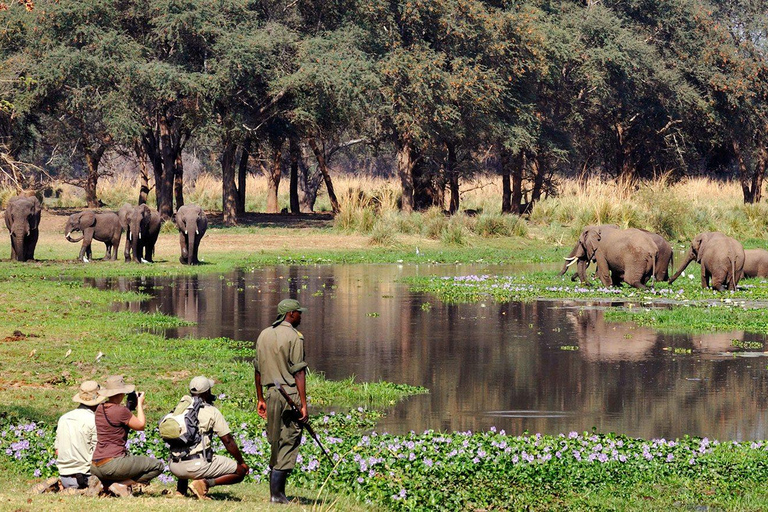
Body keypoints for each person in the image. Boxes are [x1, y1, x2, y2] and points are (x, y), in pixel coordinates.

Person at [254, 298, 309, 504]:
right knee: (290, 438)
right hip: (290, 394)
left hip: (271, 393)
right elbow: (299, 373)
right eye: (298, 313)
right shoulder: (295, 337)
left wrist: (260, 398)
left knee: (275, 440)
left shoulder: (264, 334)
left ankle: (276, 493)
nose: (300, 316)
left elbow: (257, 370)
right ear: (290, 315)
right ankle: (277, 494)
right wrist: (303, 404)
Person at [168, 376, 249, 500]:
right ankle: (203, 484)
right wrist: (242, 462)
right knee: (239, 472)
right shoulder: (211, 411)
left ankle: (181, 491)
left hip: (174, 466)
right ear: (207, 392)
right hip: (196, 466)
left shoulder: (180, 409)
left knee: (185, 445)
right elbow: (227, 440)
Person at [90, 375, 164, 497]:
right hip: (113, 464)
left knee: (124, 466)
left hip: (95, 465)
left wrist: (128, 408)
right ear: (121, 393)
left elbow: (116, 420)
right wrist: (140, 404)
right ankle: (122, 485)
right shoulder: (121, 411)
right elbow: (141, 425)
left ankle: (104, 485)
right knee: (157, 465)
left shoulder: (99, 408)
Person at [54, 380, 105, 494]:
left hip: (64, 476)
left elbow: (57, 451)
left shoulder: (64, 418)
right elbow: (99, 452)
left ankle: (62, 486)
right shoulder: (94, 421)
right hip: (86, 477)